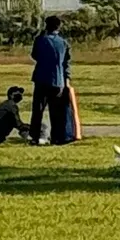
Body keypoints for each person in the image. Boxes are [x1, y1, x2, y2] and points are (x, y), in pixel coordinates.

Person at [28, 15, 71, 145]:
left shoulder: (41, 40)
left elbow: (34, 55)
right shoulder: (63, 42)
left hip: (42, 79)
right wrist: (67, 78)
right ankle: (57, 137)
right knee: (56, 112)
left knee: (38, 110)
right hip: (58, 80)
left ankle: (35, 136)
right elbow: (66, 62)